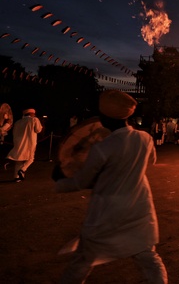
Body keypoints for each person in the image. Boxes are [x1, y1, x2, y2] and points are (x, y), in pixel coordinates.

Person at [54, 90, 168, 283]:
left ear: (107, 118)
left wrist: (60, 181)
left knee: (83, 261)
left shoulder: (103, 148)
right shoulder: (145, 139)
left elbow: (82, 181)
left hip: (107, 213)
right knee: (149, 259)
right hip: (139, 209)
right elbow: (151, 162)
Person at [5, 108, 43, 182]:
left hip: (18, 143)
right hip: (29, 142)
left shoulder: (17, 122)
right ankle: (22, 170)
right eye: (34, 113)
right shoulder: (34, 119)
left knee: (19, 160)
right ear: (31, 114)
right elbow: (38, 130)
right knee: (31, 158)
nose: (34, 115)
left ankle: (17, 177)